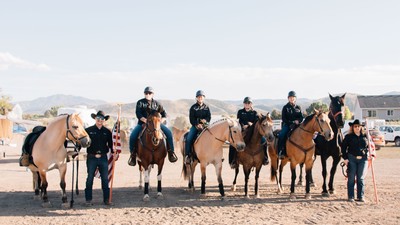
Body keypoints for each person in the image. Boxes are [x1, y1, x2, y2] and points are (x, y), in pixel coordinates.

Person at [128, 86, 178, 166]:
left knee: (169, 133)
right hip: (142, 123)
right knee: (133, 136)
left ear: (153, 94)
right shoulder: (140, 102)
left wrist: (162, 120)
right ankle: (133, 155)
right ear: (144, 94)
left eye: (149, 93)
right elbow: (138, 113)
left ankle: (171, 152)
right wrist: (144, 119)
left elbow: (164, 113)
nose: (148, 94)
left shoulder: (157, 104)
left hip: (156, 124)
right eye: (146, 93)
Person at [228, 97, 269, 168]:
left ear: (251, 104)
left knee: (264, 141)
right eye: (246, 103)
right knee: (232, 144)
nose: (247, 104)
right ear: (244, 104)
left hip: (253, 132)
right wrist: (243, 125)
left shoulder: (255, 113)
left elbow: (257, 123)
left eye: (249, 103)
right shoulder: (240, 112)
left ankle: (265, 158)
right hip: (243, 130)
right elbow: (238, 122)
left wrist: (251, 125)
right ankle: (233, 161)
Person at [84, 110, 113, 206]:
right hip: (91, 158)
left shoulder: (107, 132)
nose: (100, 120)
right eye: (98, 118)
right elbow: (82, 142)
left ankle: (106, 199)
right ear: (95, 119)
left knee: (105, 179)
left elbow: (111, 144)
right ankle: (88, 200)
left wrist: (114, 152)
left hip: (103, 158)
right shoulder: (88, 130)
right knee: (89, 179)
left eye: (102, 119)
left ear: (104, 120)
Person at [341, 119, 370, 202]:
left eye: (358, 126)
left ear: (361, 127)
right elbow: (343, 148)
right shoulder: (348, 137)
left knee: (360, 178)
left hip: (363, 159)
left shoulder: (365, 136)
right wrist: (345, 158)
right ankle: (351, 196)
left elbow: (369, 147)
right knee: (351, 178)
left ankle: (361, 196)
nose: (357, 128)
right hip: (351, 158)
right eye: (355, 126)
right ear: (352, 127)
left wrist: (370, 153)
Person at [185, 90, 211, 164]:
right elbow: (191, 119)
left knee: (213, 135)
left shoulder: (207, 107)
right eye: (199, 97)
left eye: (201, 97)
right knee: (189, 138)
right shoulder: (193, 107)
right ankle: (187, 155)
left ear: (204, 98)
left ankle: (213, 154)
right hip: (195, 126)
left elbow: (209, 117)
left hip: (205, 126)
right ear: (197, 98)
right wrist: (197, 124)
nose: (200, 98)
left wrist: (205, 121)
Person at [277, 91, 304, 159]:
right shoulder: (285, 107)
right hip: (288, 125)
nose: (292, 99)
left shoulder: (298, 107)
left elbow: (301, 117)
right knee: (282, 135)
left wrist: (298, 121)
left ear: (295, 99)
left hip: (297, 125)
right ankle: (280, 151)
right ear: (288, 98)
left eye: (293, 97)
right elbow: (283, 118)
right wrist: (292, 122)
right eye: (290, 97)